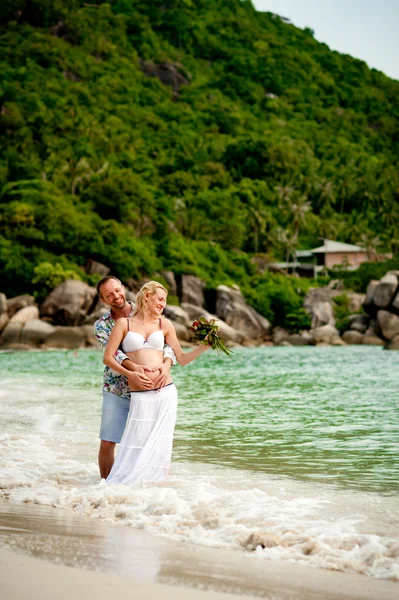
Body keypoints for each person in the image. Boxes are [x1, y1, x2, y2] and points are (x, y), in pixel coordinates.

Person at [103, 280, 211, 485]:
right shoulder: (123, 324)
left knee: (161, 446)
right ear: (147, 296)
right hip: (140, 394)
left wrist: (205, 346)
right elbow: (108, 358)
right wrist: (131, 374)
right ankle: (121, 489)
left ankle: (156, 492)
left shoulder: (165, 324)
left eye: (165, 301)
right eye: (160, 299)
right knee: (135, 443)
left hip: (166, 394)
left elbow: (182, 358)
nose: (163, 304)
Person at [94, 276, 176, 479]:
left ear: (123, 287)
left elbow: (168, 346)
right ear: (104, 300)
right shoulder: (101, 325)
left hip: (151, 387)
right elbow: (113, 353)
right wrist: (134, 370)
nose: (115, 296)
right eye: (109, 295)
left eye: (117, 290)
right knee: (108, 440)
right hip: (117, 387)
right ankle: (106, 487)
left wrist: (166, 366)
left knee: (155, 439)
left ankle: (151, 488)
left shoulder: (146, 308)